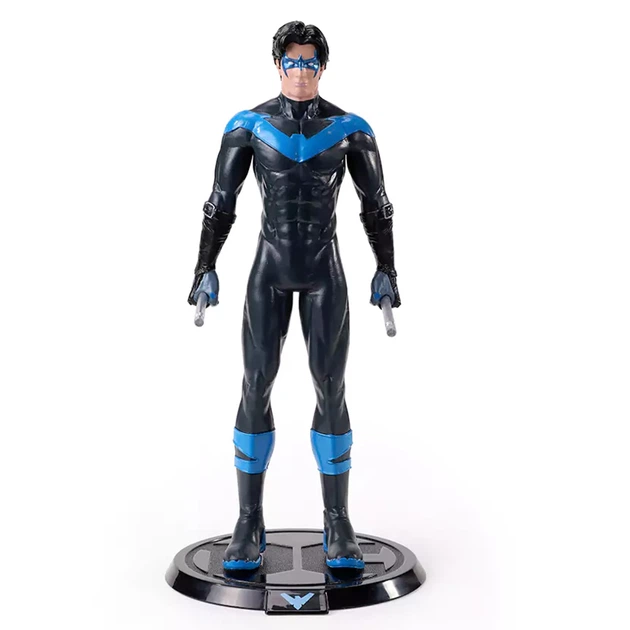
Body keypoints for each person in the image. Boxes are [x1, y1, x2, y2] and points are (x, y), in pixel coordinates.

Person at [188, 20, 401, 571]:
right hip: (270, 272)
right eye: (292, 61)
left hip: (326, 272)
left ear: (322, 67)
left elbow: (376, 205)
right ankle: (248, 521)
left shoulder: (350, 129)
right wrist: (205, 267)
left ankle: (337, 521)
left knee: (331, 387)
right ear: (278, 65)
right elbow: (220, 201)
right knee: (255, 384)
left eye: (310, 62)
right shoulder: (249, 126)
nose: (301, 71)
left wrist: (387, 269)